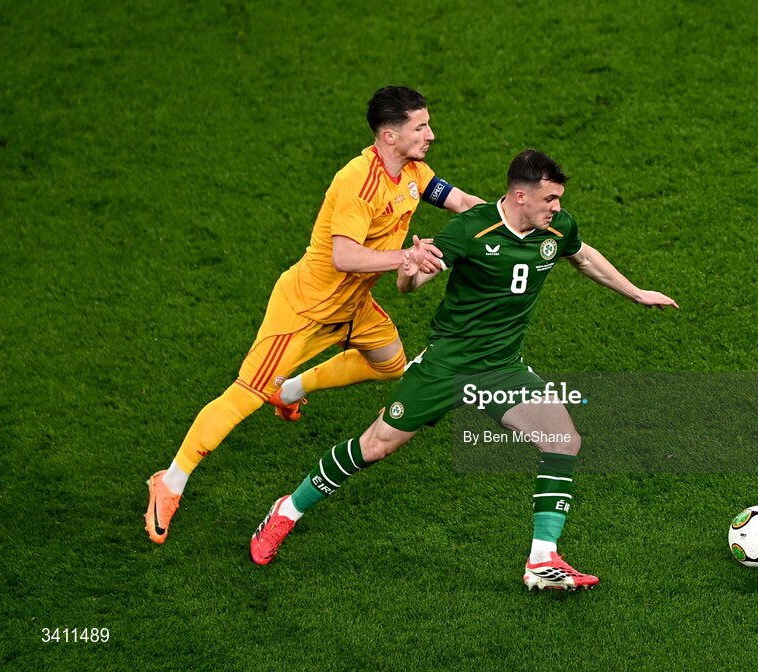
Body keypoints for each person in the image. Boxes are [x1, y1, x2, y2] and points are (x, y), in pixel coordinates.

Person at [248, 149, 678, 590]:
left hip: (502, 369)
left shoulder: (557, 229)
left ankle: (542, 560)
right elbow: (411, 283)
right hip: (447, 365)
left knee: (563, 441)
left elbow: (583, 256)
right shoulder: (471, 229)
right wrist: (410, 268)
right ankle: (287, 510)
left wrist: (636, 292)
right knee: (375, 446)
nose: (557, 208)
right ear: (519, 195)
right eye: (549, 199)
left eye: (558, 199)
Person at [144, 87, 484, 544]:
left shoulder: (414, 172)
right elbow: (343, 255)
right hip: (306, 309)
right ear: (389, 135)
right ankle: (169, 482)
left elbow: (462, 202)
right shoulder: (356, 182)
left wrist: (507, 221)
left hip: (353, 306)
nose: (431, 134)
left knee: (389, 364)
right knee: (244, 395)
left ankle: (289, 390)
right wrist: (406, 256)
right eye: (420, 127)